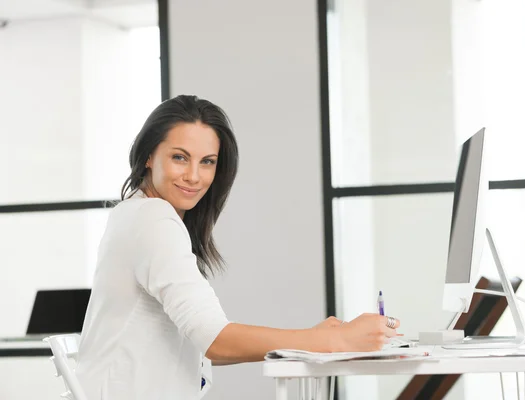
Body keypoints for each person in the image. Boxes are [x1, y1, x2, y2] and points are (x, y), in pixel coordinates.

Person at [75, 95, 400, 399]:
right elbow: (215, 340)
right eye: (179, 157)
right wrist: (333, 341)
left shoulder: (133, 213)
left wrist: (308, 340)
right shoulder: (153, 221)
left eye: (207, 162)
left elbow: (202, 343)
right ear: (149, 155)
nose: (193, 176)